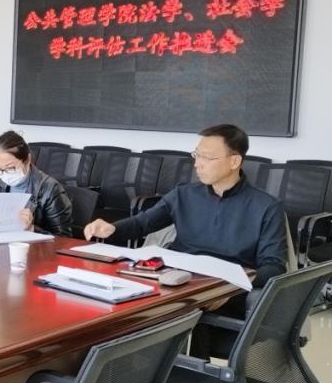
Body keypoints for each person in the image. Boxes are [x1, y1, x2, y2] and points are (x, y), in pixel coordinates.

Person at [83, 123, 286, 287]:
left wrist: (233, 284)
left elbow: (274, 267)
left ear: (234, 161)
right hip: (178, 279)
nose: (197, 164)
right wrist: (112, 229)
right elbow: (143, 223)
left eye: (207, 157)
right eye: (197, 155)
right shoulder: (184, 194)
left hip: (227, 287)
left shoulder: (266, 207)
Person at [0, 130, 73, 236]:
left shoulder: (50, 189)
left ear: (27, 160)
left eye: (11, 168)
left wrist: (32, 229)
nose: (5, 174)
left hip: (35, 246)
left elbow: (63, 237)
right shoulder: (0, 181)